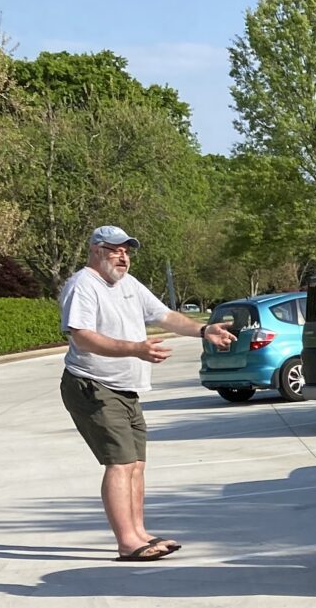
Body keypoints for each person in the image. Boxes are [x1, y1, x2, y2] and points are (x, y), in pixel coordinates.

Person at [59, 225, 237, 561]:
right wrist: (135, 349)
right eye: (115, 250)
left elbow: (164, 315)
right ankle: (127, 542)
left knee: (136, 463)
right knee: (119, 463)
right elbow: (81, 336)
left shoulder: (128, 284)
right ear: (97, 251)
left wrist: (203, 330)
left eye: (127, 250)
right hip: (93, 385)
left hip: (126, 388)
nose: (123, 256)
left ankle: (139, 533)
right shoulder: (83, 285)